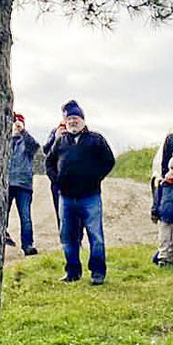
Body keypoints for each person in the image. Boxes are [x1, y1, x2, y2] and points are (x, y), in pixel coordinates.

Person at [50, 100, 115, 286]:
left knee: (95, 236)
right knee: (68, 236)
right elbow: (49, 162)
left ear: (83, 120)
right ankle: (72, 272)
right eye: (69, 118)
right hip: (66, 197)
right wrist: (57, 179)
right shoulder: (61, 141)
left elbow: (108, 161)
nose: (72, 121)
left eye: (76, 118)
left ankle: (97, 273)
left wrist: (95, 177)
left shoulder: (96, 139)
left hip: (90, 197)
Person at [5, 113, 40, 255]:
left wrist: (23, 131)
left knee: (25, 217)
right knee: (1, 214)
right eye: (14, 123)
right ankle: (1, 237)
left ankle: (28, 245)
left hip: (23, 185)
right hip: (6, 184)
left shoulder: (27, 142)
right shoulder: (3, 141)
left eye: (19, 123)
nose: (16, 125)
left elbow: (35, 146)